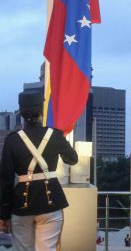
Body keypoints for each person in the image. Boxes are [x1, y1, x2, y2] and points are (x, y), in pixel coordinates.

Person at [0, 92, 78, 251]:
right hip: (50, 203)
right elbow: (73, 159)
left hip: (21, 205)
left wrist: (4, 215)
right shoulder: (55, 135)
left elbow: (5, 180)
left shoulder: (12, 140)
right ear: (41, 111)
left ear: (21, 112)